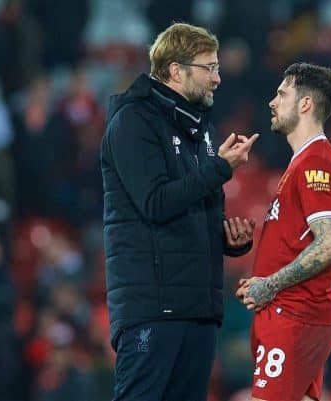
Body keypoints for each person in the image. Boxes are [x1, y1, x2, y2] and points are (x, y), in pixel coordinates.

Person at [100, 22, 259, 401]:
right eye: (210, 68)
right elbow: (155, 203)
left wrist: (225, 238)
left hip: (197, 307)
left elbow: (189, 206)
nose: (218, 79)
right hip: (153, 308)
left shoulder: (201, 130)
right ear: (176, 70)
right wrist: (219, 169)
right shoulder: (133, 122)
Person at [236, 62, 331, 401]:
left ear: (305, 104)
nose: (272, 102)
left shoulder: (317, 163)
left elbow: (330, 244)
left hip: (294, 313)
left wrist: (270, 284)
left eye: (282, 94)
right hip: (288, 312)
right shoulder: (303, 161)